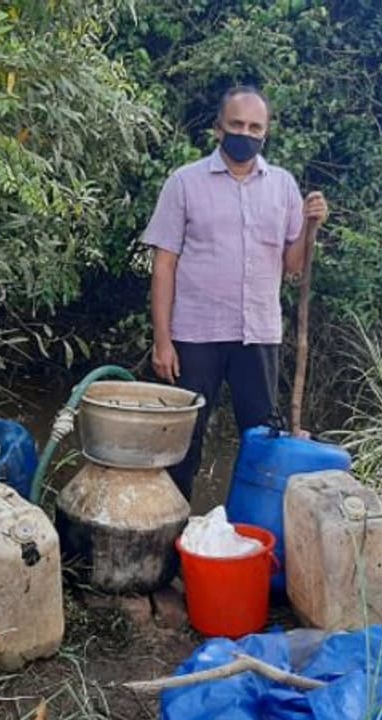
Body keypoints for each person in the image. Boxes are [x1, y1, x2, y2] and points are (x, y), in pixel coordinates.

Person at [141, 85, 329, 501]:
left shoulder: (282, 186)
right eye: (236, 124)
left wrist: (312, 226)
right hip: (195, 335)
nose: (245, 133)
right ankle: (169, 540)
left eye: (254, 127)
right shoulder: (184, 183)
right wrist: (163, 341)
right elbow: (164, 265)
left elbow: (293, 264)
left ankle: (251, 538)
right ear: (218, 129)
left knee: (262, 441)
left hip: (258, 335)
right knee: (182, 444)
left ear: (266, 132)